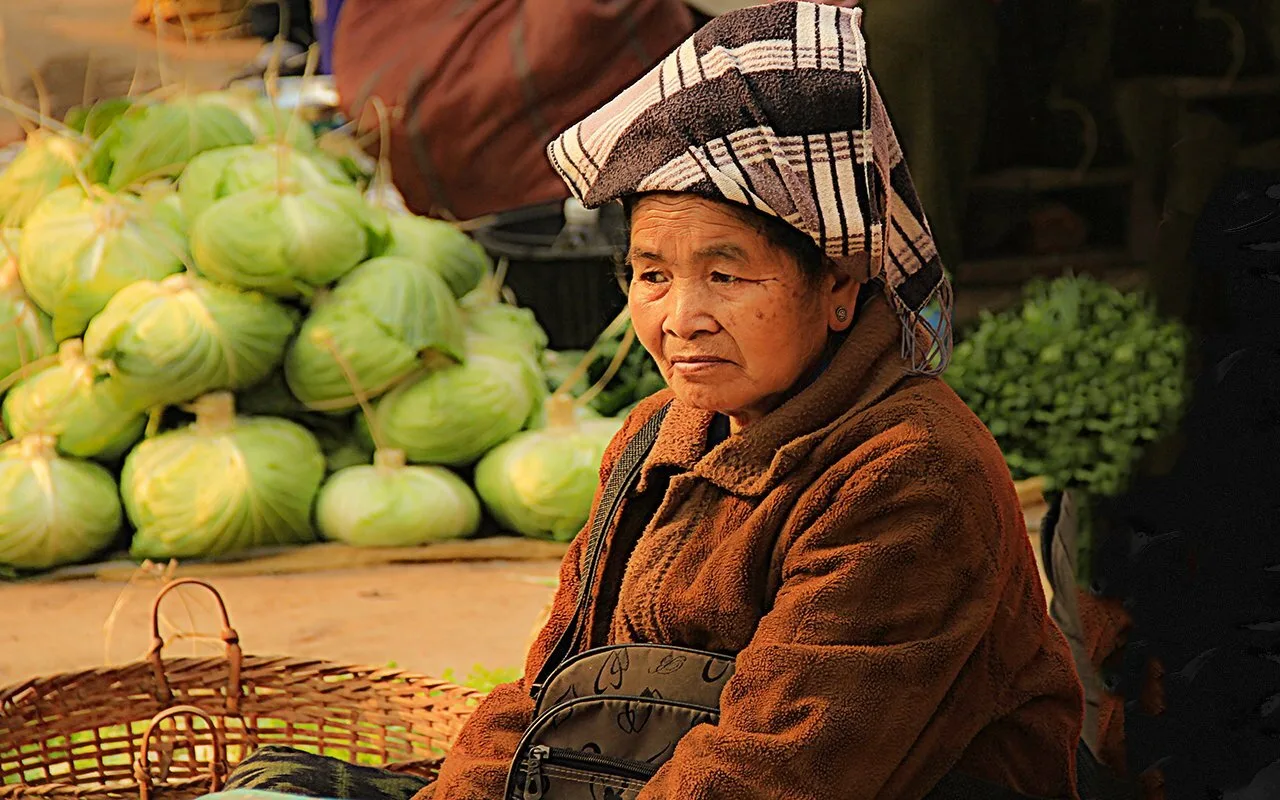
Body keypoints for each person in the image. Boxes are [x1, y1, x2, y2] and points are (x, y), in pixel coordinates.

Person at [426, 3, 1084, 798]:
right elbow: (550, 692)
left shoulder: (909, 476)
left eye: (726, 275)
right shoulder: (655, 437)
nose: (681, 320)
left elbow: (767, 774)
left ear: (838, 287)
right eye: (652, 275)